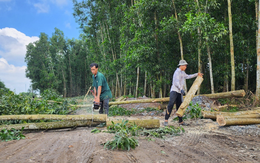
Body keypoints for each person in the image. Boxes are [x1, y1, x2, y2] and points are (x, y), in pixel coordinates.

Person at [164, 60, 203, 126]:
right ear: (181, 65)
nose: (186, 67)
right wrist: (181, 89)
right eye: (185, 66)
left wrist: (197, 74)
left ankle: (180, 122)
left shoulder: (182, 72)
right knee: (171, 104)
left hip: (179, 92)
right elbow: (176, 83)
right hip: (174, 90)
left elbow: (188, 76)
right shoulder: (177, 72)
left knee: (179, 106)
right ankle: (166, 120)